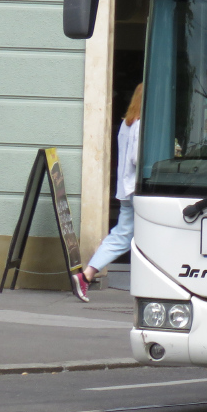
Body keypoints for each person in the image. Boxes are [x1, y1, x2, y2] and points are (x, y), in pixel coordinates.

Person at [75, 84, 142, 302]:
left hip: (125, 188)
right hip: (137, 188)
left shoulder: (126, 122)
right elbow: (135, 158)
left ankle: (87, 275)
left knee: (121, 236)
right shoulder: (142, 124)